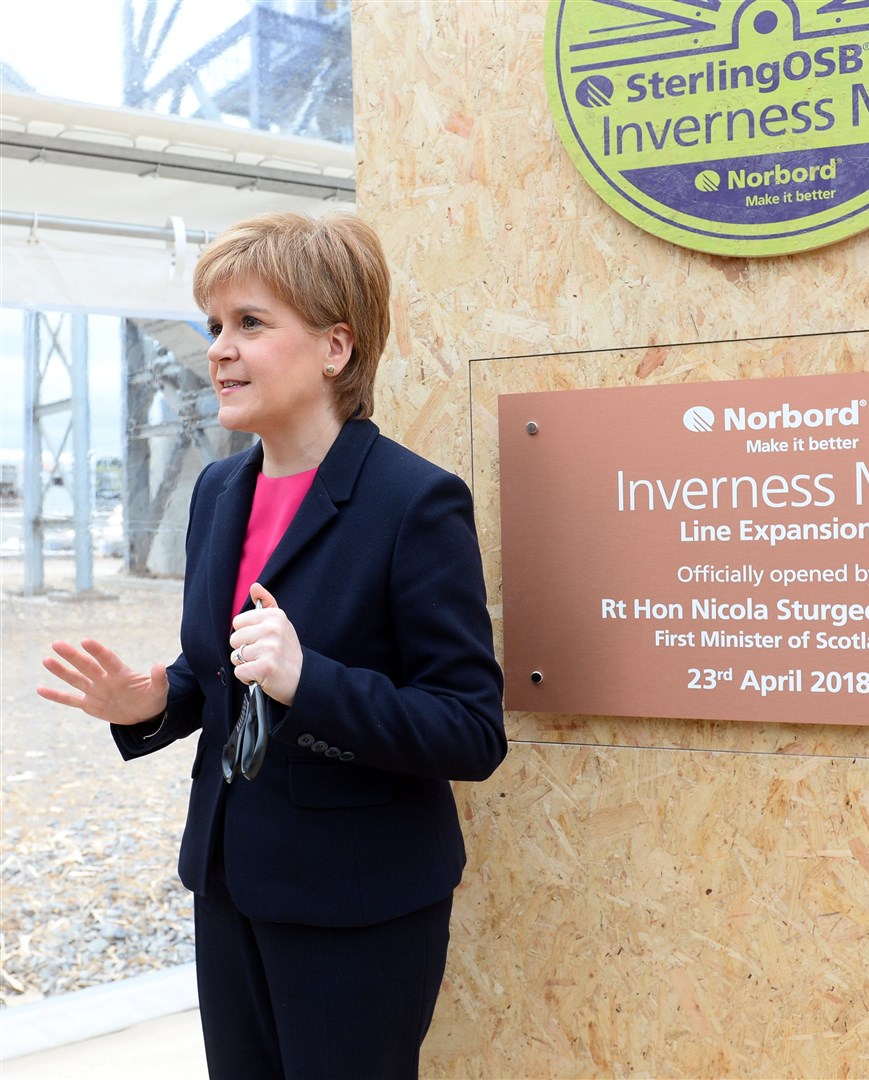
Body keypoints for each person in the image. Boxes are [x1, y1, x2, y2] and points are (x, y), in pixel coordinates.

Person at [37, 211, 507, 1079]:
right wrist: (156, 701)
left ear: (336, 348)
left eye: (250, 323)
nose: (219, 348)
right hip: (227, 884)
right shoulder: (220, 491)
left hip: (357, 905)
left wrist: (311, 680)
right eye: (216, 325)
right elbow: (220, 670)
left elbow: (471, 732)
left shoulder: (415, 503)